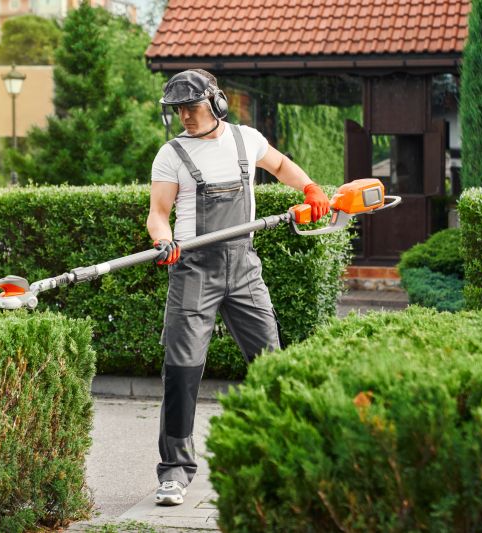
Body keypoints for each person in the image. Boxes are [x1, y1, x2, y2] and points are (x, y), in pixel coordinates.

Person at [147, 69, 330, 506]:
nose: (186, 117)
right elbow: (158, 213)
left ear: (217, 103)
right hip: (193, 267)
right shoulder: (170, 154)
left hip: (243, 265)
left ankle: (284, 456)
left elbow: (281, 165)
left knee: (270, 361)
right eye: (179, 110)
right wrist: (162, 239)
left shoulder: (246, 139)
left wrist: (309, 187)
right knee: (182, 369)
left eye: (192, 107)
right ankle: (174, 470)